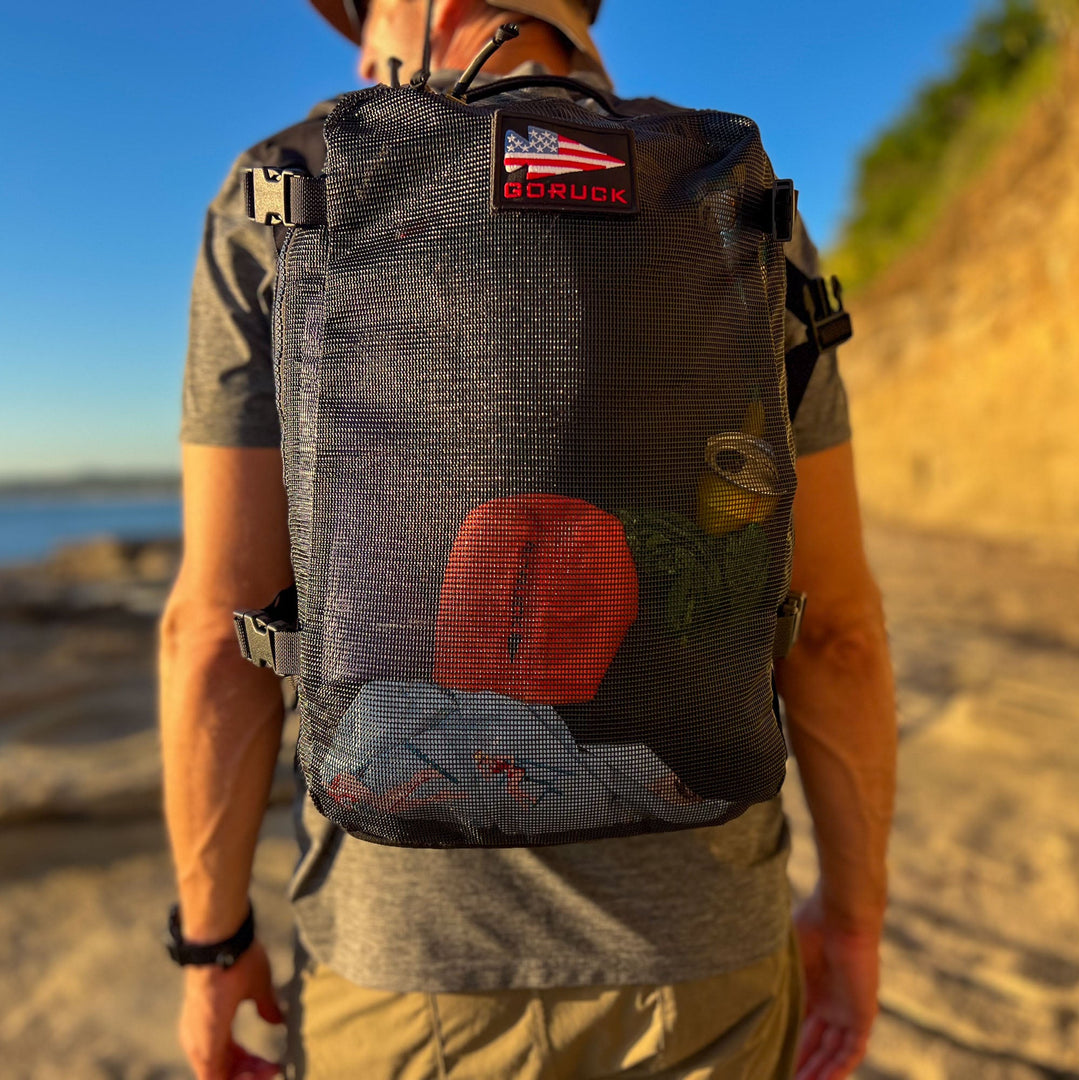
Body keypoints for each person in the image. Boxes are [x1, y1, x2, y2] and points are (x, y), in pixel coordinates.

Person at [159, 1, 898, 1077]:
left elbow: (210, 631)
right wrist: (858, 920)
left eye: (362, 37)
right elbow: (837, 633)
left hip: (406, 978)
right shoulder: (720, 191)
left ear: (431, 11)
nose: (362, 70)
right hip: (705, 959)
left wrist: (212, 941)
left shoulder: (290, 184)